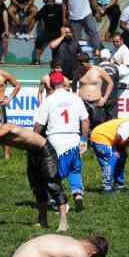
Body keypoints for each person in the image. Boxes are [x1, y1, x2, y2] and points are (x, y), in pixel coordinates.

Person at [0, 121, 70, 231]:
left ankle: (63, 222)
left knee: (53, 185)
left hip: (46, 151)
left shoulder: (7, 127)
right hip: (32, 153)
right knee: (37, 187)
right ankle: (43, 221)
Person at [32, 74, 89, 211]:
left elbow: (39, 124)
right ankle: (77, 193)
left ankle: (60, 202)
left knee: (54, 174)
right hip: (74, 138)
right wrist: (84, 140)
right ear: (64, 83)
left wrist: (32, 137)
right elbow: (85, 120)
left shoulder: (48, 100)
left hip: (56, 140)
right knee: (75, 169)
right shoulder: (76, 99)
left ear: (51, 85)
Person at [87, 116, 129, 194]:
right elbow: (118, 135)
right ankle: (106, 188)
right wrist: (115, 150)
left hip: (105, 138)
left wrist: (122, 150)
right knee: (111, 159)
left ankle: (119, 185)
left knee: (122, 157)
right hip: (101, 138)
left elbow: (124, 140)